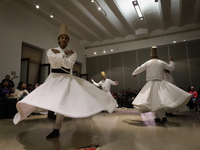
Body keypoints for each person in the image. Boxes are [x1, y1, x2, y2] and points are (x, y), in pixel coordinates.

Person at [13, 24, 116, 139]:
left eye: (66, 38)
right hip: (54, 78)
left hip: (66, 79)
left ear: (68, 41)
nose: (64, 39)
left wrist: (61, 56)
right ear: (59, 39)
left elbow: (68, 65)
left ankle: (57, 128)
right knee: (42, 96)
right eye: (62, 37)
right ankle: (49, 112)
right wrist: (64, 55)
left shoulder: (73, 52)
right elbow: (52, 60)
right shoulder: (51, 51)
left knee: (62, 102)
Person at [132, 46, 191, 124]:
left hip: (151, 83)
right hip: (160, 83)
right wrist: (171, 61)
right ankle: (158, 117)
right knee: (158, 100)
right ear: (158, 55)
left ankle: (162, 117)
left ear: (151, 56)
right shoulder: (161, 62)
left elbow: (140, 68)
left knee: (156, 100)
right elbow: (170, 68)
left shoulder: (148, 62)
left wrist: (134, 73)